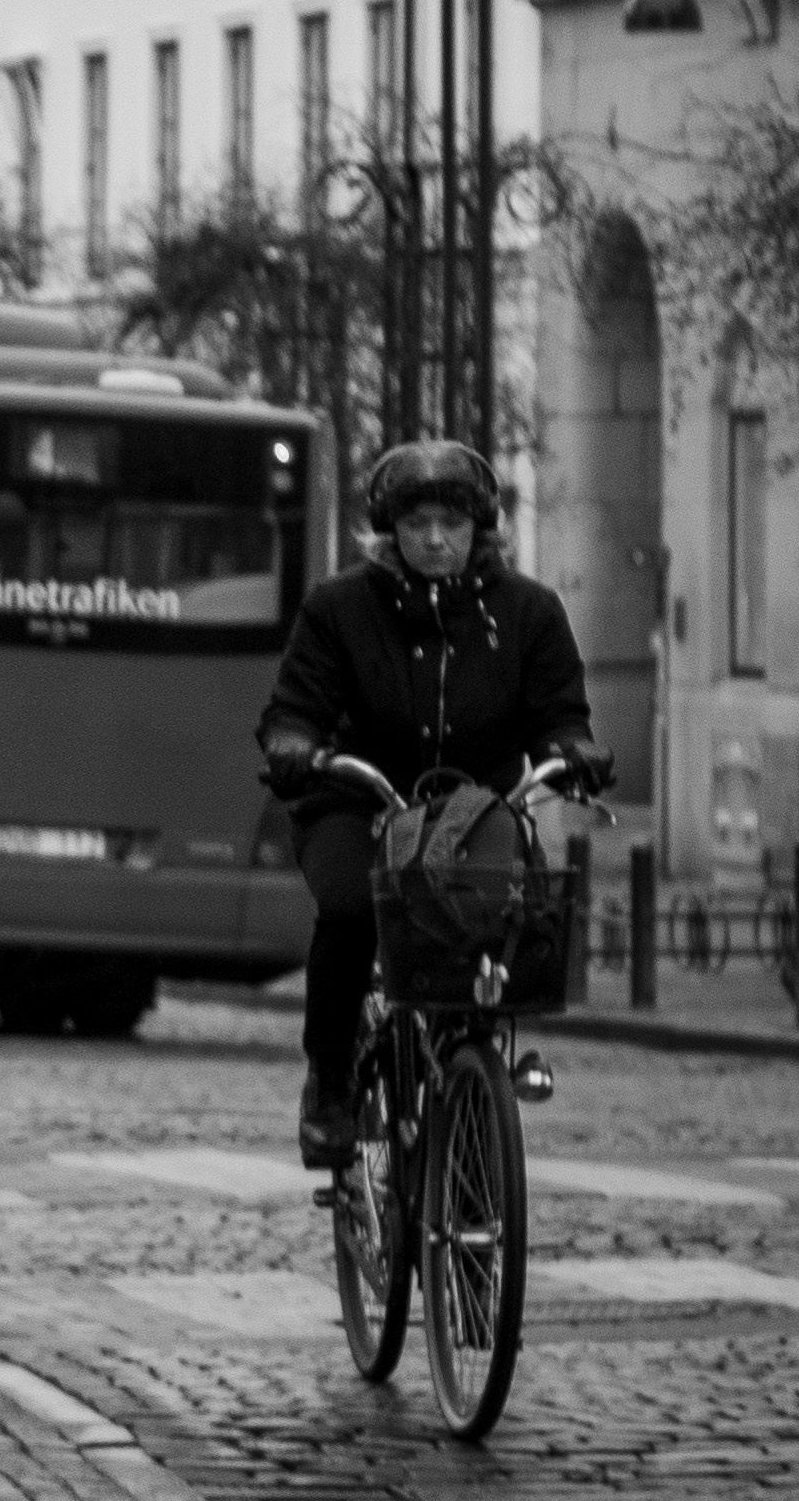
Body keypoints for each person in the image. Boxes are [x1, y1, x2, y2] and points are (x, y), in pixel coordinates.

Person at [257, 439, 610, 1172]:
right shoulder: (337, 607)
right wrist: (296, 744)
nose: (436, 538)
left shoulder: (529, 612)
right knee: (354, 908)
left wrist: (573, 751)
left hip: (474, 815)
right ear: (390, 531)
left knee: (497, 924)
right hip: (361, 803)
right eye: (417, 523)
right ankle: (330, 1081)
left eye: (451, 522)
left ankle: (473, 1092)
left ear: (481, 529)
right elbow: (296, 707)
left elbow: (560, 712)